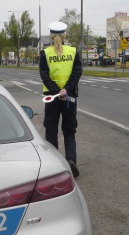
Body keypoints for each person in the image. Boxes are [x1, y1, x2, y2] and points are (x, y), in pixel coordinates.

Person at [39, 21, 83, 178]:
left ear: (51, 36)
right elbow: (77, 72)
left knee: (51, 131)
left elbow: (44, 75)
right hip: (69, 97)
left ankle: (54, 165)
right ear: (64, 35)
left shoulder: (46, 53)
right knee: (69, 131)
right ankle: (71, 160)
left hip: (52, 98)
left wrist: (57, 91)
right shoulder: (72, 51)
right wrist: (66, 90)